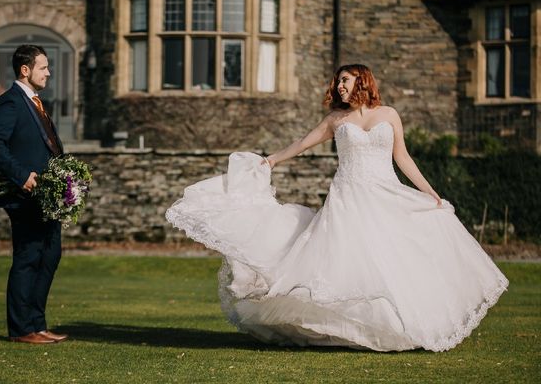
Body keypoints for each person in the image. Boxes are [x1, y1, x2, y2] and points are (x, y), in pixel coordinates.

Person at [166, 64, 508, 352]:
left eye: (344, 80)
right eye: (338, 82)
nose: (339, 85)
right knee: (349, 258)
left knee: (393, 258)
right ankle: (350, 328)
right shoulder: (335, 120)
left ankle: (405, 326)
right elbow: (302, 143)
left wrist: (431, 192)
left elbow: (402, 157)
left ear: (362, 81)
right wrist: (271, 159)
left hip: (385, 192)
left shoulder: (389, 114)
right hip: (348, 196)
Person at [0, 44, 67, 344]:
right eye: (43, 67)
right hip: (24, 195)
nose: (48, 72)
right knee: (29, 257)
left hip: (48, 198)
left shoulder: (36, 103)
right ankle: (21, 329)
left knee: (50, 255)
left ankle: (37, 324)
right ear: (25, 70)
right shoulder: (11, 103)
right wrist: (22, 176)